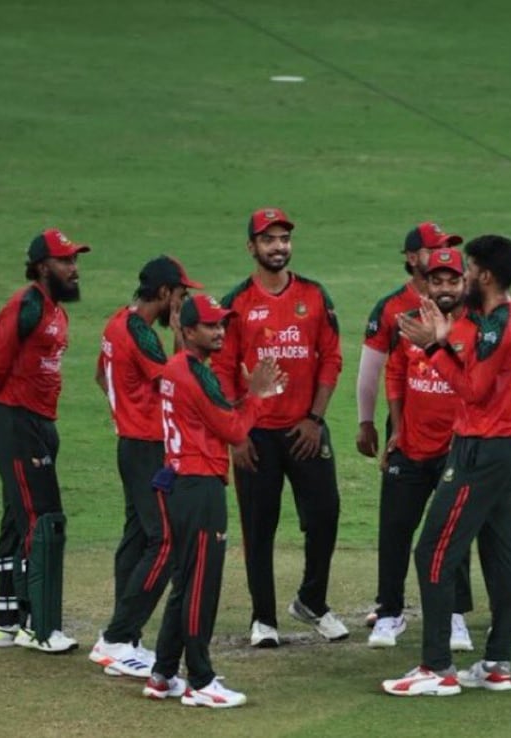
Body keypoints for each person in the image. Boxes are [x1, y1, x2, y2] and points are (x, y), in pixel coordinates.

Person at [382, 234, 511, 697]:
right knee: (500, 556)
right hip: (504, 448)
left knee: (432, 552)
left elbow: (473, 391)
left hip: (480, 449)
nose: (462, 276)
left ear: (484, 275)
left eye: (467, 269)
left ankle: (437, 667)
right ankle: (498, 663)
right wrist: (447, 341)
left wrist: (434, 348)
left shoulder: (497, 327)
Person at [141, 294, 286, 708]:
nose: (219, 331)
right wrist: (257, 394)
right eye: (210, 325)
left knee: (186, 581)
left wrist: (249, 397)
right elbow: (235, 430)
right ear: (188, 331)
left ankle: (163, 673)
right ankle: (200, 681)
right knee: (201, 584)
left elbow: (218, 417)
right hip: (198, 487)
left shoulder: (179, 369)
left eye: (222, 323)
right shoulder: (195, 375)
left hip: (179, 482)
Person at [214, 207, 348, 647]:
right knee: (258, 526)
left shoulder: (313, 294)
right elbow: (223, 371)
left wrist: (315, 418)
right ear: (251, 247)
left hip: (304, 429)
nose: (278, 247)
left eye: (284, 239)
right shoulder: (236, 304)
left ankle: (312, 601)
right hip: (256, 434)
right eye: (268, 239)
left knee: (325, 515)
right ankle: (263, 619)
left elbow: (330, 357)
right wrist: (237, 433)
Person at [88, 256, 201, 678]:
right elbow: (178, 379)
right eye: (182, 293)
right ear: (164, 293)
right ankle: (117, 638)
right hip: (149, 449)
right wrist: (178, 336)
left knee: (136, 538)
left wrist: (126, 413)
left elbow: (102, 378)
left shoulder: (118, 322)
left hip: (132, 445)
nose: (185, 300)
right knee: (164, 542)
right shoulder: (140, 333)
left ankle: (125, 642)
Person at [0, 228, 89, 653]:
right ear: (43, 267)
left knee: (16, 518)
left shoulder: (56, 311)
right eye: (65, 261)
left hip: (39, 422)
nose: (74, 268)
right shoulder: (25, 304)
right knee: (40, 521)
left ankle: (5, 622)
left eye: (75, 260)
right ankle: (37, 626)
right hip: (18, 422)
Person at [368, 247, 475, 652]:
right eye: (437, 281)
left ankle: (454, 616)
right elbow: (395, 373)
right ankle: (389, 613)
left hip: (454, 449)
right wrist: (395, 425)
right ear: (425, 283)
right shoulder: (409, 325)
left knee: (453, 537)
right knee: (394, 532)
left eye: (452, 280)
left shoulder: (473, 329)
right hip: (410, 448)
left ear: (464, 283)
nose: (445, 288)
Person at [356, 222, 463, 461]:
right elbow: (372, 370)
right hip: (406, 423)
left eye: (449, 248)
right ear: (413, 258)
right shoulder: (391, 307)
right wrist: (366, 421)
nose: (445, 255)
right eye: (436, 249)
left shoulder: (469, 305)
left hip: (458, 428)